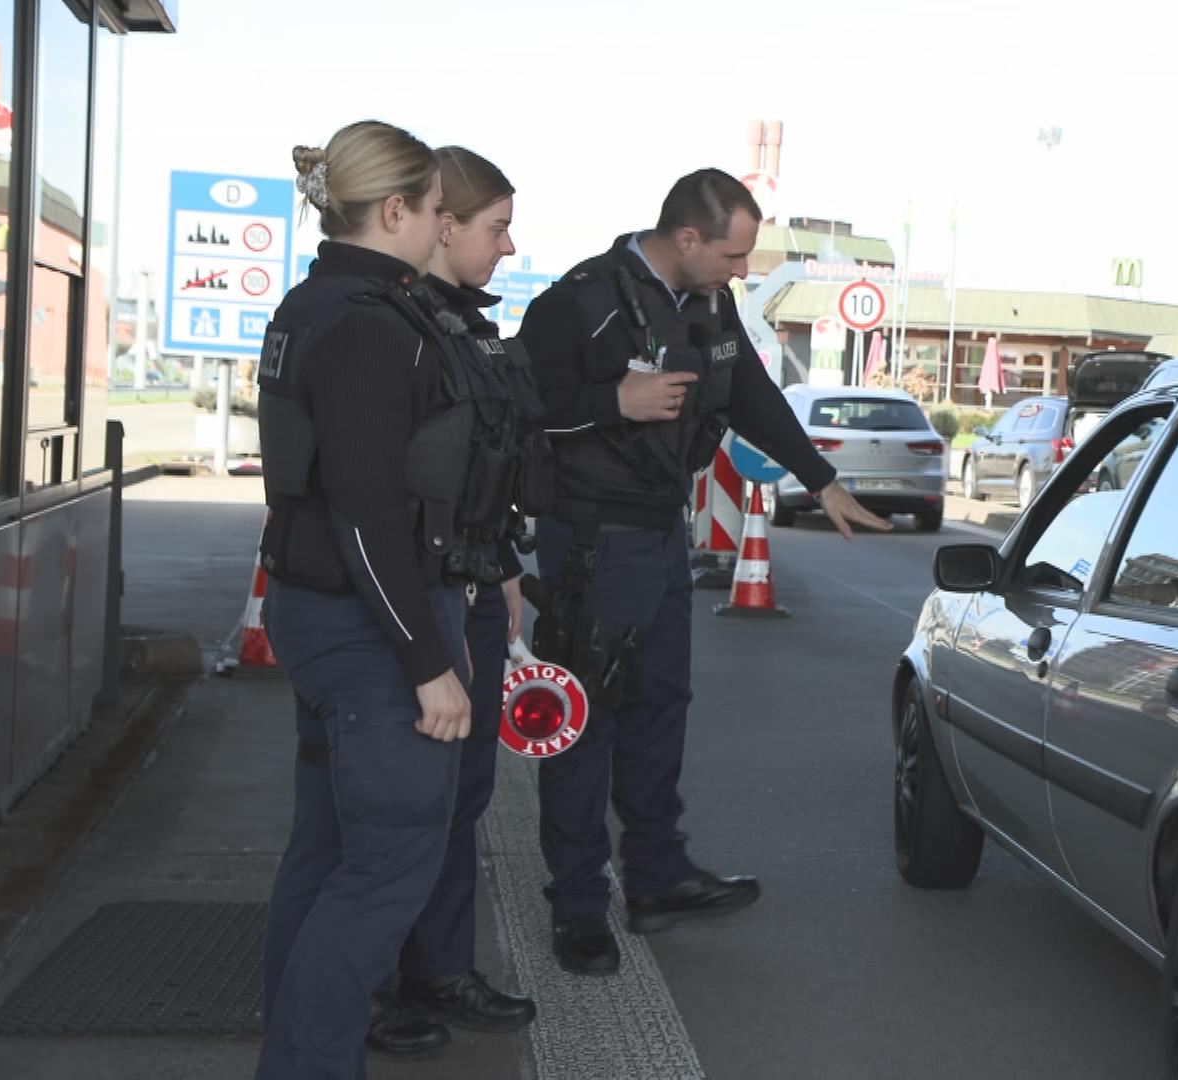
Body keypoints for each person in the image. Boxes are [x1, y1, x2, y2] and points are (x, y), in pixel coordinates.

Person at [517, 168, 890, 976]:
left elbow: (751, 393)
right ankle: (579, 907)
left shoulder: (706, 301)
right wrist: (614, 400)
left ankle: (658, 877)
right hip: (591, 538)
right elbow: (522, 405)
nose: (742, 272)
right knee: (587, 718)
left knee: (660, 707)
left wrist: (820, 480)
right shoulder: (578, 302)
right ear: (686, 238)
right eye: (733, 254)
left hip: (659, 536)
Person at [252, 121, 532, 1078]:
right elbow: (367, 514)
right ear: (400, 211)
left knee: (330, 855)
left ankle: (292, 1053)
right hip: (372, 629)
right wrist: (428, 664)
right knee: (383, 872)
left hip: (330, 614)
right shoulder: (372, 326)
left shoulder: (321, 302)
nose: (446, 228)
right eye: (440, 213)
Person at [365, 145, 548, 1053]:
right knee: (407, 804)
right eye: (496, 228)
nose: (509, 248)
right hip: (419, 593)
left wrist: (505, 570)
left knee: (461, 798)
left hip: (473, 578)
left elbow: (487, 470)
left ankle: (439, 968)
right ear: (442, 226)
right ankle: (379, 985)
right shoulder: (399, 328)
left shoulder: (468, 329)